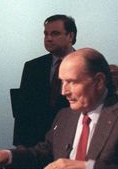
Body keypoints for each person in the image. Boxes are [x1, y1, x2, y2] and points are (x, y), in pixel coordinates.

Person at [12, 14, 76, 147]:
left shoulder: (86, 65)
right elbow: (23, 110)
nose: (48, 38)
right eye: (46, 34)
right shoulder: (33, 67)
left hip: (73, 140)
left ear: (70, 36)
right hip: (37, 143)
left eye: (55, 34)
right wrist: (19, 144)